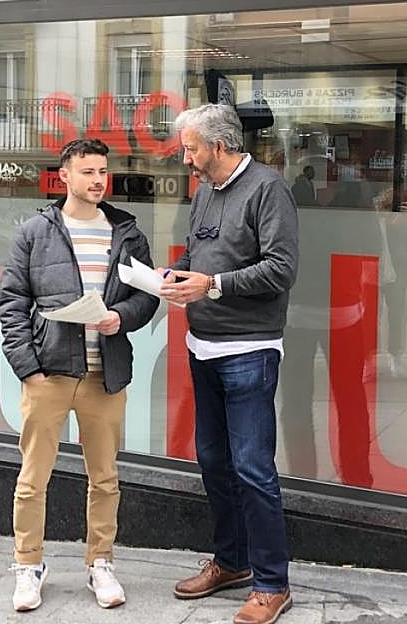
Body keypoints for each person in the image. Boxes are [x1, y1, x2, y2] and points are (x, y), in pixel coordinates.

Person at [0, 138, 160, 613]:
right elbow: (12, 303)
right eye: (87, 171)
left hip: (103, 373)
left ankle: (100, 562)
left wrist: (120, 318)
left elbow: (146, 296)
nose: (97, 180)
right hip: (49, 372)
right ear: (63, 175)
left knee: (105, 477)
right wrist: (27, 368)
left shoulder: (126, 232)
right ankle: (28, 566)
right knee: (33, 477)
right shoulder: (35, 232)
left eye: (102, 172)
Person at [159, 103, 299, 624]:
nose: (186, 158)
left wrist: (212, 285)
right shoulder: (203, 192)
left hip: (249, 350)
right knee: (214, 462)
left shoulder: (268, 188)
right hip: (204, 347)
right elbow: (200, 259)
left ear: (218, 146)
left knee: (253, 468)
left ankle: (272, 583)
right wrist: (170, 277)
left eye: (191, 148)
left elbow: (281, 270)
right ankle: (231, 561)